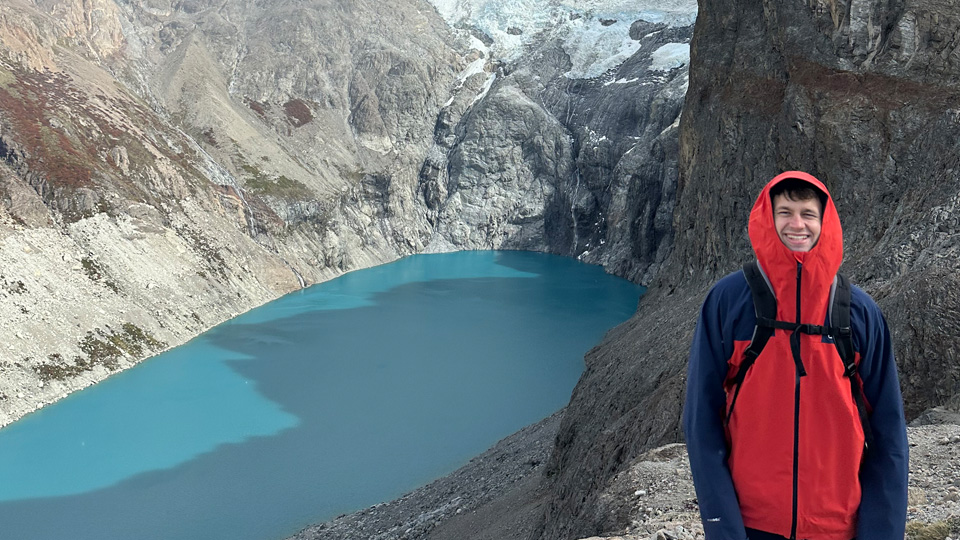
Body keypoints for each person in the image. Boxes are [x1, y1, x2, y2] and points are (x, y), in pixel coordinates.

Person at [682, 171, 908, 540]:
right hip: (753, 524)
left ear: (825, 222)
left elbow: (889, 432)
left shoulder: (859, 313)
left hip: (837, 526)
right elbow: (701, 420)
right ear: (767, 219)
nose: (797, 224)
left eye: (808, 213)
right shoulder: (728, 301)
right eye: (784, 212)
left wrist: (881, 532)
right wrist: (723, 528)